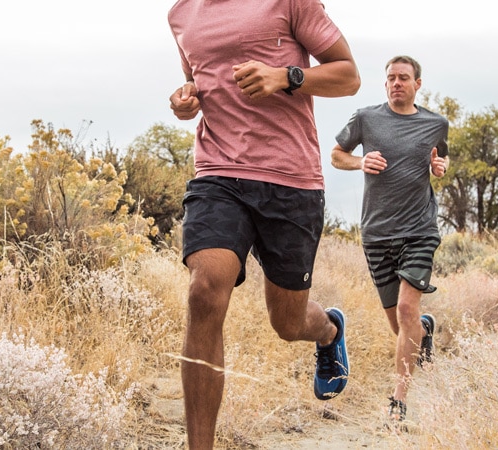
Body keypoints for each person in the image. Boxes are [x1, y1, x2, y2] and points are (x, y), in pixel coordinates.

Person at [167, 1, 361, 448]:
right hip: (217, 173)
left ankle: (329, 329)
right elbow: (196, 82)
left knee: (288, 322)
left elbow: (348, 76)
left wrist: (286, 77)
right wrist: (184, 101)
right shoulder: (181, 14)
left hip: (290, 181)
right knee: (204, 291)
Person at [330, 55, 449, 423]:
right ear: (385, 84)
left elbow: (439, 161)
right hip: (377, 233)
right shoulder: (366, 118)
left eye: (404, 78)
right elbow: (336, 155)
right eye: (391, 78)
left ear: (417, 84)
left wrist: (439, 168)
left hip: (419, 230)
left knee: (406, 310)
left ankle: (398, 401)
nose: (397, 83)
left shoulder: (436, 123)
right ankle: (425, 330)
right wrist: (359, 162)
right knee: (401, 328)